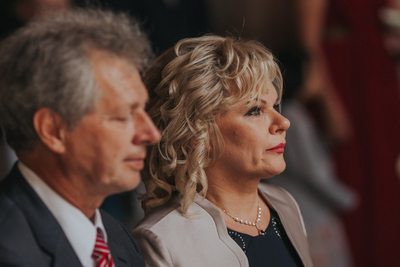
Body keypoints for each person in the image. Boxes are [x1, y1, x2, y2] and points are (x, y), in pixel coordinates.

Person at [134, 35, 314, 267]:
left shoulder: (284, 204)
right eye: (255, 110)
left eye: (275, 105)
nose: (283, 122)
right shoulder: (161, 238)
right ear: (198, 132)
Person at [0, 8, 160, 267]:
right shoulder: (9, 250)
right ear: (53, 131)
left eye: (143, 110)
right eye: (122, 116)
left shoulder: (116, 236)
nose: (151, 134)